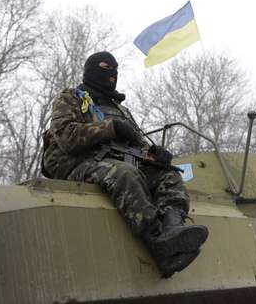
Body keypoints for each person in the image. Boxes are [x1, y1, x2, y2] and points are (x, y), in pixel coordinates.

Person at [42, 51, 208, 278]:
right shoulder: (71, 98)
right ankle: (158, 242)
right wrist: (110, 128)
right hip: (75, 162)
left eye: (115, 70)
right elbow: (67, 137)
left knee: (168, 176)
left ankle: (173, 228)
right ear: (91, 70)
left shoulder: (121, 110)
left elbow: (137, 143)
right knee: (125, 175)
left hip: (116, 158)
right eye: (104, 67)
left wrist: (155, 155)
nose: (111, 74)